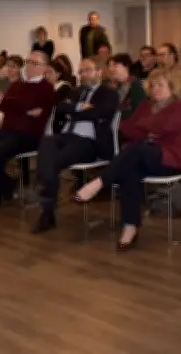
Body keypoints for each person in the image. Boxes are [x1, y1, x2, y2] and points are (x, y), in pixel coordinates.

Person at [74, 68, 181, 250]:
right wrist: (151, 130)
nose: (155, 89)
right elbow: (127, 128)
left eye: (161, 85)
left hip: (170, 161)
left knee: (136, 149)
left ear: (172, 87)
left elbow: (164, 126)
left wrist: (146, 129)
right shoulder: (146, 105)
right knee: (130, 169)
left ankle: (98, 183)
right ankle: (130, 227)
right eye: (152, 85)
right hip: (143, 156)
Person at [32, 58, 119, 233]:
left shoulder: (108, 93)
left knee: (52, 162)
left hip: (89, 142)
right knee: (47, 141)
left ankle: (47, 211)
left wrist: (76, 111)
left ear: (99, 71)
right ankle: (48, 204)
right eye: (81, 72)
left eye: (87, 70)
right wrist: (81, 107)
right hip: (66, 135)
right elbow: (61, 107)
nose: (83, 75)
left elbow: (102, 111)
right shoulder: (75, 92)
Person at [0, 51, 56, 207]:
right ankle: (6, 183)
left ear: (44, 67)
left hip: (29, 134)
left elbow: (25, 105)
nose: (29, 65)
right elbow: (8, 107)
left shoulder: (46, 88)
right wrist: (16, 105)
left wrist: (8, 101)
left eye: (34, 63)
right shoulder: (17, 85)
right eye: (28, 61)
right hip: (8, 129)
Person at [106, 54, 146, 121]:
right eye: (110, 66)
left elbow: (141, 111)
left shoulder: (136, 86)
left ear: (126, 66)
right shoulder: (111, 86)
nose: (111, 69)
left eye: (115, 66)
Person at [45, 61, 74, 134]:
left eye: (50, 72)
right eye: (45, 72)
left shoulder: (65, 87)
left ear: (58, 74)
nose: (46, 75)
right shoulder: (45, 87)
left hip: (57, 126)